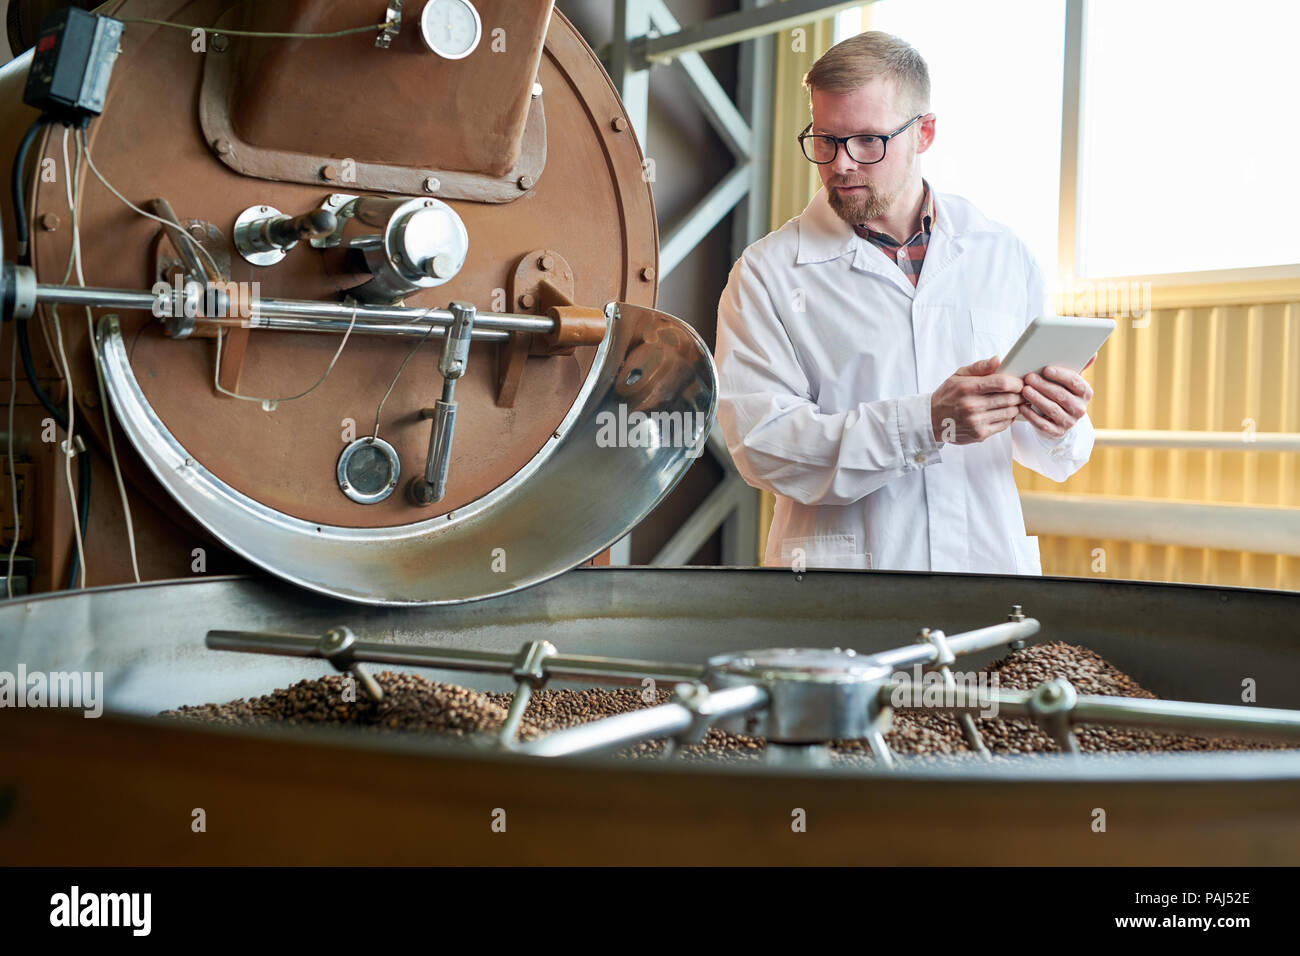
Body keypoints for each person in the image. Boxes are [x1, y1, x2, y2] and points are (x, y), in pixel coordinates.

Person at [714, 31, 1096, 575]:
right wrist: (924, 423)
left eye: (868, 140)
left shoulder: (1002, 255)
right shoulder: (767, 274)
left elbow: (1053, 457)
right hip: (842, 593)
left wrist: (1059, 420)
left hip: (984, 577)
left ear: (926, 133)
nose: (841, 164)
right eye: (825, 139)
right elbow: (763, 446)